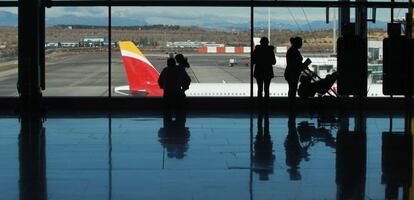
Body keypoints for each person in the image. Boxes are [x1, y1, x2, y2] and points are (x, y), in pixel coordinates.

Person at [285, 37, 311, 107]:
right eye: (300, 43)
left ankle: (291, 104)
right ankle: (292, 104)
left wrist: (302, 65)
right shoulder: (294, 51)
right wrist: (303, 66)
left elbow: (294, 63)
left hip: (291, 73)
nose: (301, 44)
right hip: (293, 73)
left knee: (292, 89)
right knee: (292, 89)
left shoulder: (292, 50)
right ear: (297, 43)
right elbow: (295, 63)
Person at [252, 37, 276, 105]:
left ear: (260, 43)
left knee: (260, 89)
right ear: (267, 43)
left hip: (259, 72)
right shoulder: (270, 51)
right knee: (267, 89)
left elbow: (253, 61)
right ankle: (266, 104)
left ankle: (259, 104)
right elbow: (274, 62)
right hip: (268, 72)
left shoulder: (257, 50)